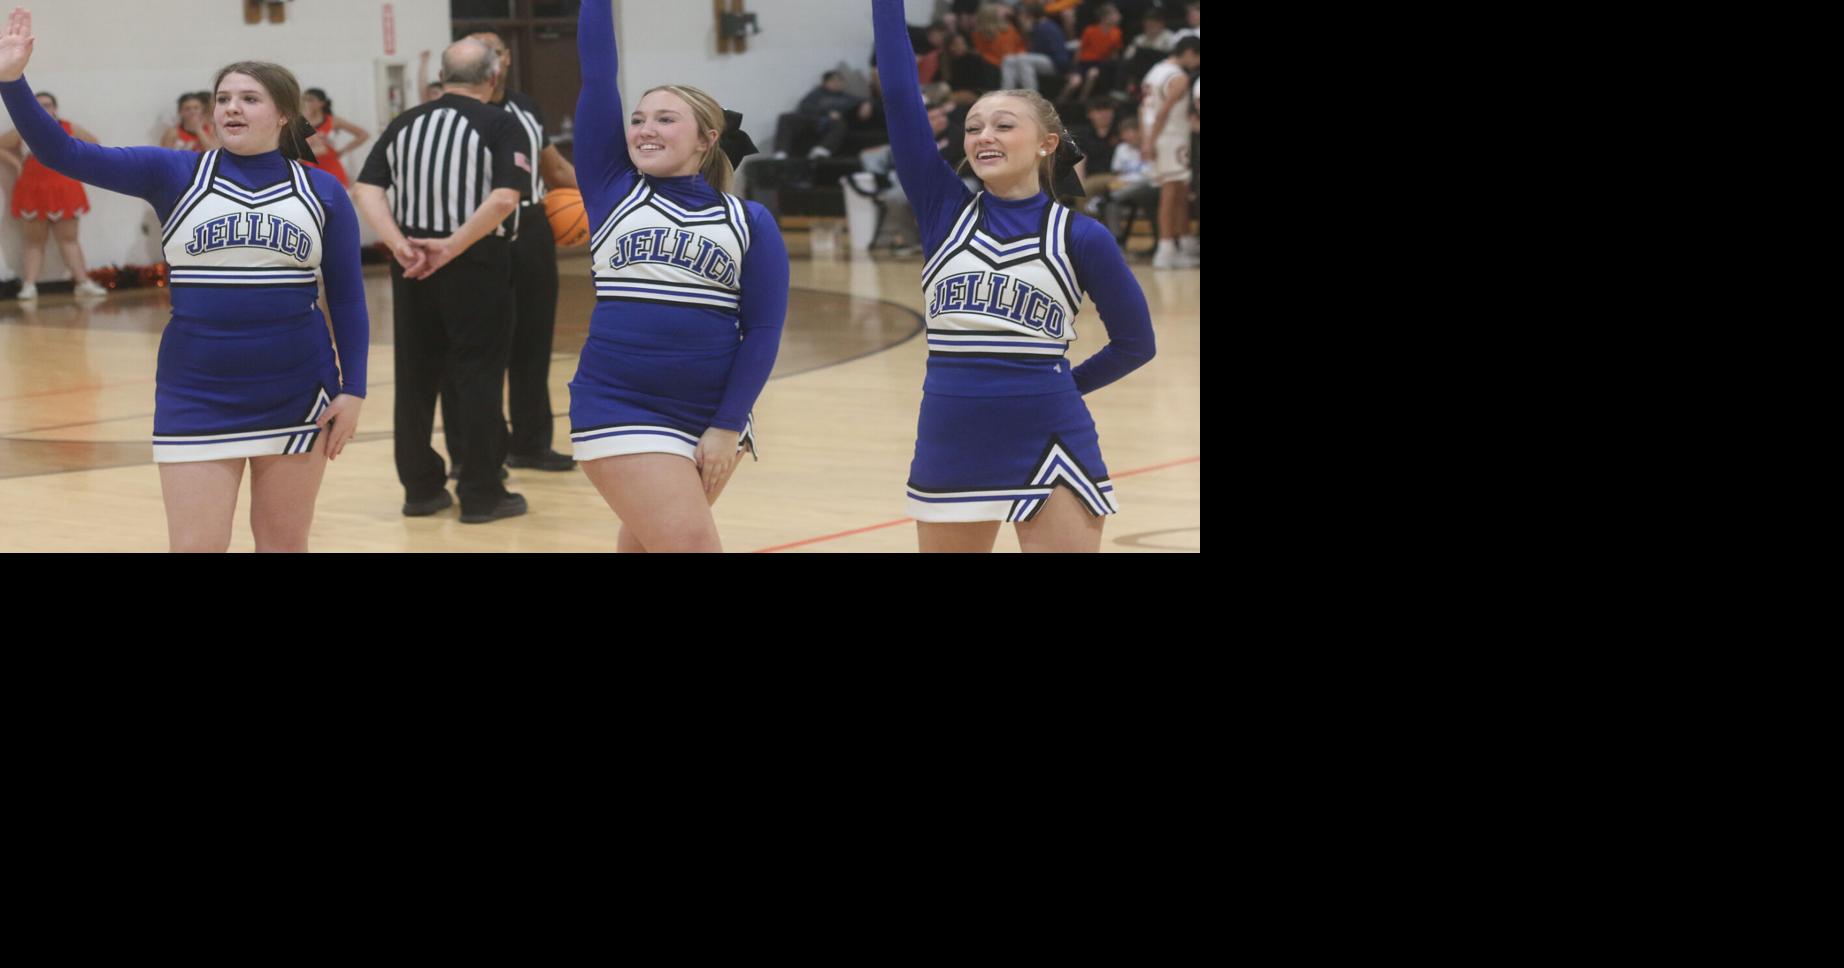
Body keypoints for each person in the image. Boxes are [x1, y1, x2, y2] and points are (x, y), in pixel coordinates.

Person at [1, 9, 369, 551]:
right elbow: (63, 153)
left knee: (284, 543)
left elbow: (348, 298)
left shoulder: (324, 191)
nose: (230, 108)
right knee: (196, 546)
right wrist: (12, 81)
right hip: (196, 393)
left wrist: (354, 389)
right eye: (223, 98)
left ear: (284, 114)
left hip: (298, 391)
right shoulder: (173, 172)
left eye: (248, 98)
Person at [874, 0, 1155, 553]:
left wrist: (1062, 387)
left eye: (1004, 125)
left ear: (1046, 143)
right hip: (951, 433)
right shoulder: (943, 211)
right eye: (974, 127)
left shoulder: (1080, 235)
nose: (984, 136)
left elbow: (1135, 344)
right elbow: (902, 97)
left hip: (1051, 436)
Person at [568, 0, 789, 552]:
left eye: (666, 119)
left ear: (707, 137)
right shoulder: (612, 190)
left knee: (645, 545)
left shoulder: (749, 220)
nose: (645, 128)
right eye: (639, 119)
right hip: (619, 403)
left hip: (714, 414)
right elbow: (597, 73)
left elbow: (761, 332)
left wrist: (727, 424)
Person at [352, 38, 529, 524]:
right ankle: (480, 492)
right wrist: (450, 246)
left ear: (444, 76)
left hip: (411, 263)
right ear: (493, 77)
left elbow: (365, 188)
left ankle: (421, 490)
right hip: (474, 260)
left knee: (415, 376)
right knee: (479, 372)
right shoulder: (500, 122)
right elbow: (504, 200)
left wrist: (398, 243)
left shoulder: (406, 121)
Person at [437, 31, 579, 475]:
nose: (490, 59)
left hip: (531, 226)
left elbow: (555, 170)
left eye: (495, 50)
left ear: (505, 60)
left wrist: (614, 190)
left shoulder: (526, 107)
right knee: (473, 350)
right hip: (472, 230)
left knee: (533, 341)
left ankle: (531, 444)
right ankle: (474, 454)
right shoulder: (446, 114)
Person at [0, 88, 107, 298]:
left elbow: (94, 143)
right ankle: (29, 285)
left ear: (55, 108)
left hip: (64, 188)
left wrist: (76, 163)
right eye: (38, 105)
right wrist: (16, 163)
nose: (43, 108)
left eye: (47, 104)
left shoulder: (68, 127)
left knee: (69, 238)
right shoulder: (23, 128)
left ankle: (82, 282)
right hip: (32, 189)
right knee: (33, 240)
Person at [1141, 35, 1197, 268]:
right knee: (1171, 194)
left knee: (1180, 193)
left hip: (1161, 137)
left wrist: (1147, 138)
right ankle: (1166, 249)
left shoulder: (1155, 71)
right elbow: (1163, 112)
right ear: (1190, 52)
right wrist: (1150, 141)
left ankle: (1183, 242)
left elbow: (1144, 108)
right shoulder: (1180, 77)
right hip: (1169, 139)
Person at [298, 87, 368, 187]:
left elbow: (363, 135)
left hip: (331, 167)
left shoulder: (333, 121)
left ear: (322, 103)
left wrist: (343, 150)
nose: (307, 103)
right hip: (308, 169)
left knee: (336, 199)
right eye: (305, 99)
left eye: (311, 100)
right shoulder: (299, 122)